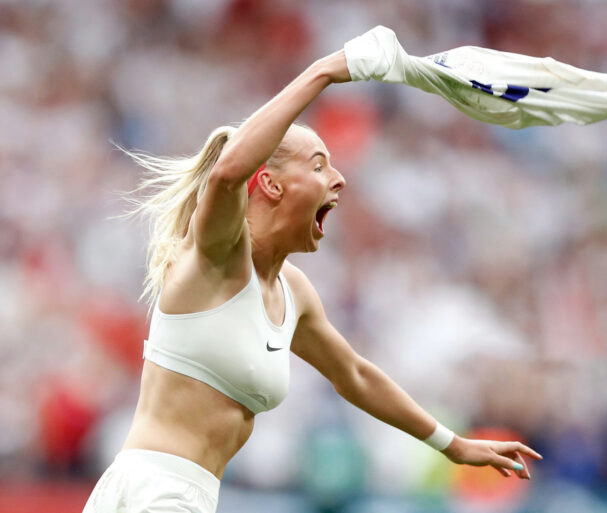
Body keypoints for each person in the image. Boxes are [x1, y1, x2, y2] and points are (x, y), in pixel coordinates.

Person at [82, 48, 542, 513]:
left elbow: (355, 375)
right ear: (269, 184)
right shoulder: (219, 254)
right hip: (154, 491)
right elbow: (226, 175)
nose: (339, 180)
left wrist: (453, 446)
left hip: (183, 497)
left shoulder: (293, 292)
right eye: (319, 165)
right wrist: (324, 72)